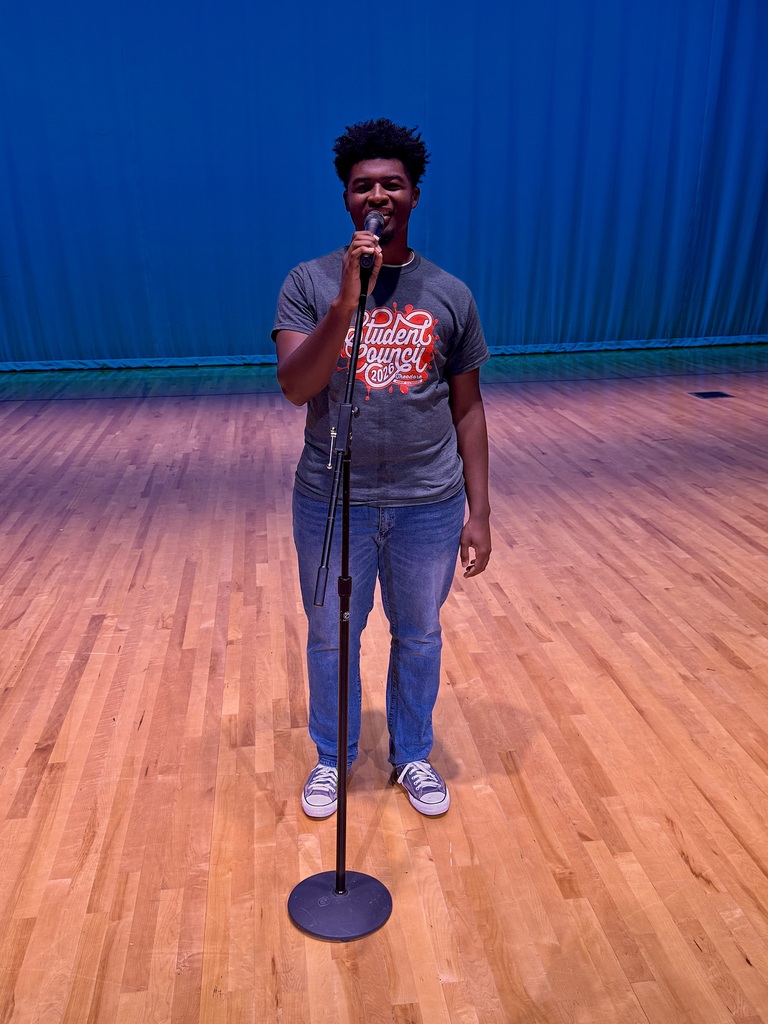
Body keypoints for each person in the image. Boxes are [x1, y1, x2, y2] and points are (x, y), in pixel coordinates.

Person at [272, 118, 491, 819]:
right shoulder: (309, 284)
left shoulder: (449, 293)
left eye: (391, 184)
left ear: (414, 195)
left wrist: (480, 513)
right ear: (346, 198)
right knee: (331, 636)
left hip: (429, 501)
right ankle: (332, 758)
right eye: (363, 185)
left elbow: (468, 410)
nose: (377, 195)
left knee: (419, 633)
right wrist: (347, 301)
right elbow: (296, 386)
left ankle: (413, 754)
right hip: (333, 499)